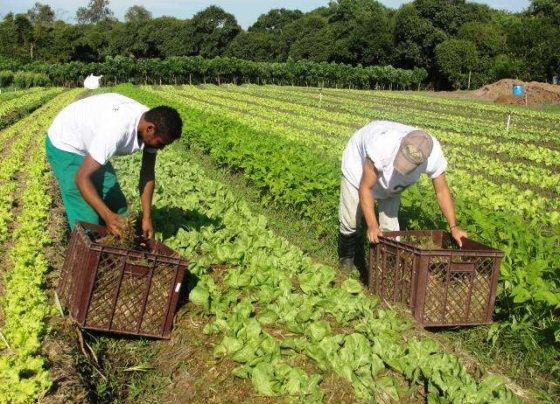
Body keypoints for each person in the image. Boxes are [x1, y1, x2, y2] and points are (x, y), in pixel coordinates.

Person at [46, 93, 182, 238]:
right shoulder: (117, 130)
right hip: (66, 143)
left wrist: (147, 218)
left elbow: (147, 174)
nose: (161, 148)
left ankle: (118, 242)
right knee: (88, 218)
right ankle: (88, 248)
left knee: (117, 205)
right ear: (150, 129)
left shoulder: (154, 124)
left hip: (91, 142)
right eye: (160, 144)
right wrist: (107, 217)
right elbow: (81, 178)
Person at [338, 120, 467, 270]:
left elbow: (442, 191)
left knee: (391, 231)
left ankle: (387, 268)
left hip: (393, 187)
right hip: (358, 170)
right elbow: (366, 188)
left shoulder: (433, 155)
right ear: (400, 145)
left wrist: (453, 226)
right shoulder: (381, 146)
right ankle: (346, 259)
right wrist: (372, 225)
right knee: (350, 221)